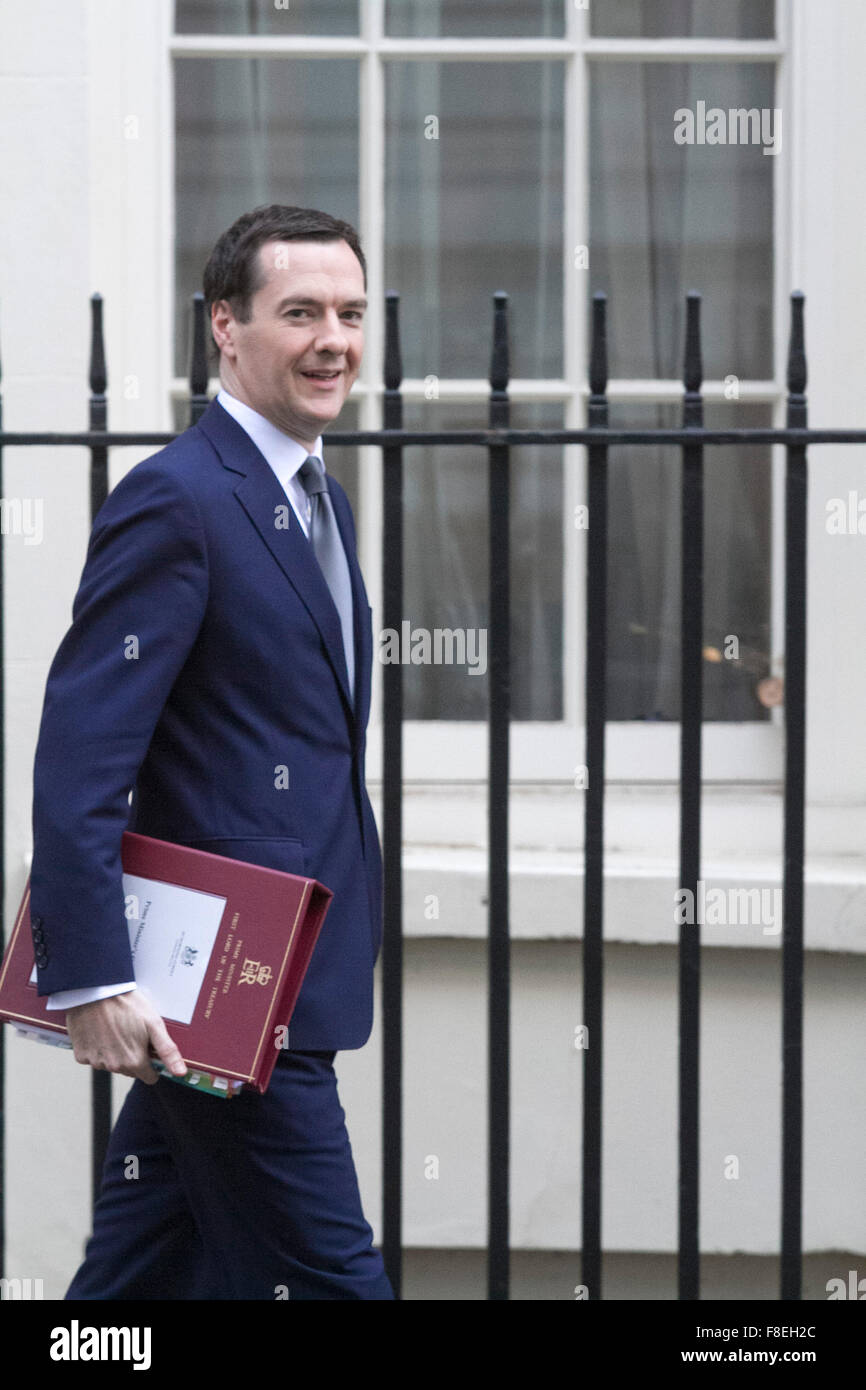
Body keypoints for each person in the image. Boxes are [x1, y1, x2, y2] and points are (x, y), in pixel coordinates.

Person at [28, 204, 394, 1300]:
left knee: (138, 1288)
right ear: (224, 329)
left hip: (263, 990)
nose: (333, 338)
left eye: (350, 312)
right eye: (301, 313)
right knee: (335, 1279)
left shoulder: (310, 498)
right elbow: (82, 755)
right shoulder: (178, 499)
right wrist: (90, 972)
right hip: (234, 991)